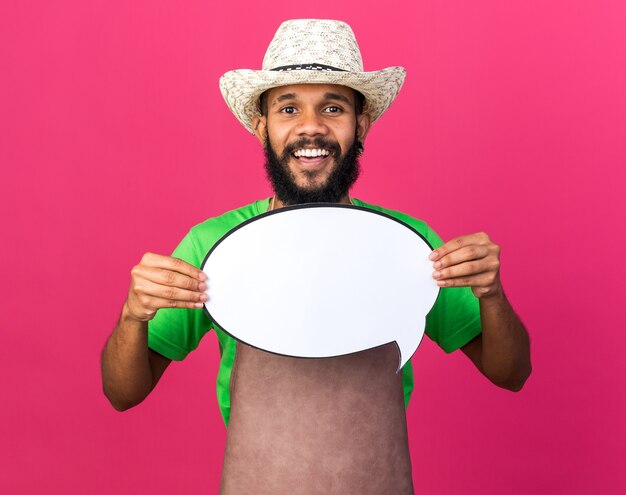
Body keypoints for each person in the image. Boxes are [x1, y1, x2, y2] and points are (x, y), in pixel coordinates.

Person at [101, 19, 531, 494]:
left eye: (333, 107)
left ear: (360, 124)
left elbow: (510, 373)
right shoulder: (214, 245)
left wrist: (491, 293)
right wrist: (132, 315)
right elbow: (123, 394)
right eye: (289, 108)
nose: (311, 127)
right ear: (263, 127)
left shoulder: (407, 244)